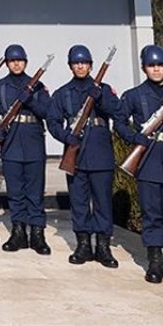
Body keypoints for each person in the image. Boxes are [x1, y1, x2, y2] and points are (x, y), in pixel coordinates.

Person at [115, 45, 163, 284]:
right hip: (148, 159)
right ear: (144, 68)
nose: (156, 69)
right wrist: (134, 137)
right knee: (152, 213)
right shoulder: (134, 95)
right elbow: (119, 122)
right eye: (151, 65)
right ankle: (155, 261)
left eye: (160, 65)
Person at [46, 44, 122, 268]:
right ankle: (83, 246)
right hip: (76, 155)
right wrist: (65, 137)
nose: (80, 66)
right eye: (76, 63)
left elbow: (117, 112)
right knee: (79, 202)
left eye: (84, 63)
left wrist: (101, 99)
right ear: (70, 66)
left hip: (100, 154)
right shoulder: (62, 93)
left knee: (102, 202)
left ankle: (103, 247)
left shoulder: (104, 90)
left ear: (90, 66)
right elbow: (53, 121)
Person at [0, 44, 52, 254]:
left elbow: (47, 112)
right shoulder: (0, 87)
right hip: (11, 143)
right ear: (7, 63)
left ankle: (37, 234)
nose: (16, 64)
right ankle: (18, 232)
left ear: (25, 62)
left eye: (20, 60)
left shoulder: (37, 85)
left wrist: (31, 102)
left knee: (35, 192)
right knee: (15, 192)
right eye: (12, 61)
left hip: (33, 142)